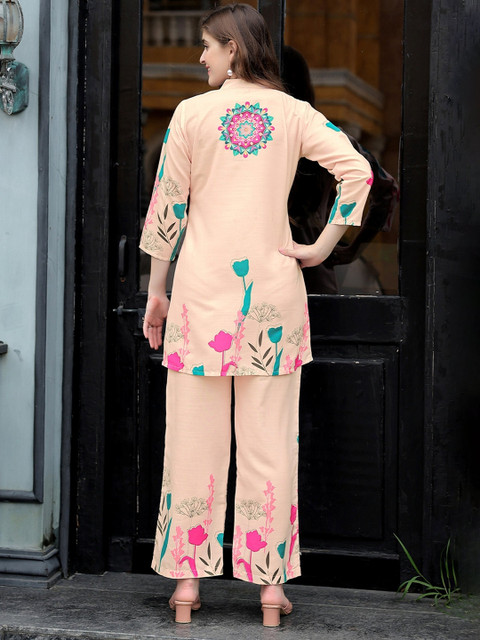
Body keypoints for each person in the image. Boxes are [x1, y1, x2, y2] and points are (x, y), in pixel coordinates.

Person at [140, 3, 372, 627]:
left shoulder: (190, 115)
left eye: (208, 46)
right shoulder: (293, 113)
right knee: (270, 448)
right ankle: (270, 592)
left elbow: (169, 209)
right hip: (272, 303)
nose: (201, 57)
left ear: (234, 49)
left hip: (200, 300)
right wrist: (319, 248)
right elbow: (358, 172)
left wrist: (157, 291)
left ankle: (186, 585)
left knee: (192, 443)